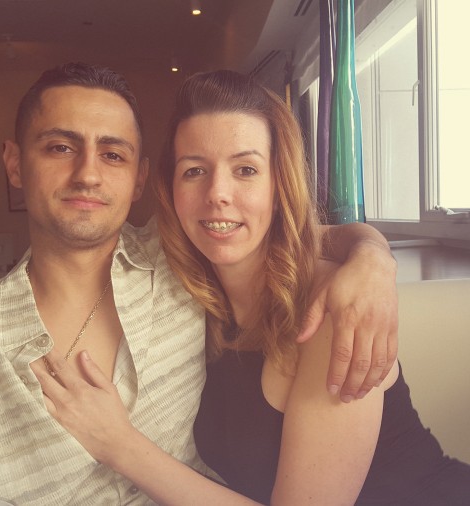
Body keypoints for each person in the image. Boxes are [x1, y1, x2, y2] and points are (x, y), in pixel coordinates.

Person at [0, 63, 397, 505]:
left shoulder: (182, 271)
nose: (88, 174)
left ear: (140, 177)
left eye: (113, 154)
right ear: (14, 163)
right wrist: (371, 252)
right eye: (60, 147)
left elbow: (286, 235)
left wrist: (372, 256)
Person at [33, 70, 470, 505]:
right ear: (171, 188)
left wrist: (118, 444)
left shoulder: (328, 312)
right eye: (194, 171)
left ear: (279, 186)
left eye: (245, 170)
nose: (217, 193)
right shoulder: (186, 289)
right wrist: (371, 251)